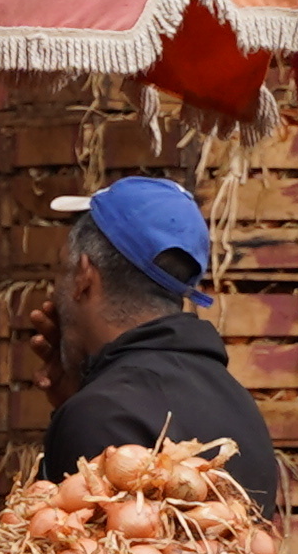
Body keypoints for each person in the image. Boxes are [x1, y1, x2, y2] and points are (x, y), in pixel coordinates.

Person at [40, 174, 281, 508]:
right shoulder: (240, 406)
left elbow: (79, 553)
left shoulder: (100, 414)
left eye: (60, 269)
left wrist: (78, 412)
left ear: (84, 275)